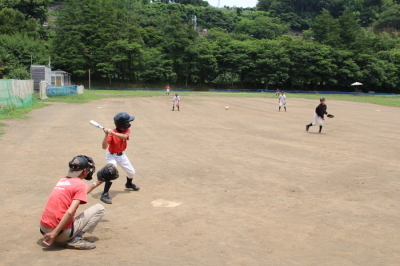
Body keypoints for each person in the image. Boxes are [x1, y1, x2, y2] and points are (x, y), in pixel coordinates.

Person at [39, 155, 105, 250]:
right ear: (84, 171)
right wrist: (54, 234)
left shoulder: (63, 180)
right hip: (59, 234)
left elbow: (78, 194)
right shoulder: (81, 184)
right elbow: (70, 212)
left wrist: (97, 183)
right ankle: (75, 239)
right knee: (99, 208)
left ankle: (59, 233)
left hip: (44, 230)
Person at [100, 112, 139, 204]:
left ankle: (128, 184)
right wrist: (106, 134)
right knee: (111, 173)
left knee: (131, 172)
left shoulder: (126, 131)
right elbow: (104, 147)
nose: (129, 123)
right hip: (111, 156)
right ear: (122, 124)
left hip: (122, 155)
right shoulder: (110, 134)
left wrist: (112, 132)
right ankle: (104, 194)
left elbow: (124, 136)